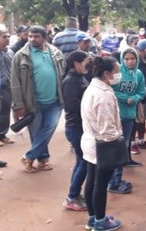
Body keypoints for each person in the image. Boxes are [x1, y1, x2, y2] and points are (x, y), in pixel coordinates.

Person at [11, 26, 66, 173]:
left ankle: (29, 157)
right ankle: (42, 160)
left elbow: (63, 75)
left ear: (44, 37)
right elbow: (15, 83)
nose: (32, 39)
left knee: (48, 129)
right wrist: (18, 105)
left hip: (55, 101)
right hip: (33, 103)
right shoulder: (21, 56)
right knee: (36, 133)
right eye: (30, 36)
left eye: (36, 36)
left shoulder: (56, 53)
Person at [80, 56, 123, 231]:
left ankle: (93, 217)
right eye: (116, 72)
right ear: (106, 74)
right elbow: (107, 130)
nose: (119, 75)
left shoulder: (94, 87)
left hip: (91, 142)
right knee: (101, 184)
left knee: (91, 181)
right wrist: (117, 140)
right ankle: (100, 221)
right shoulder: (103, 95)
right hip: (103, 145)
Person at [108, 47, 146, 193]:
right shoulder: (117, 74)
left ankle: (117, 179)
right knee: (116, 149)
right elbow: (112, 91)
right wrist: (126, 98)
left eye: (132, 58)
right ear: (122, 60)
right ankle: (113, 182)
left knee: (124, 147)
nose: (130, 61)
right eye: (127, 59)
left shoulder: (139, 74)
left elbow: (142, 91)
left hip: (130, 116)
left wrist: (135, 98)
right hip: (117, 115)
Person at [62, 51, 91, 211]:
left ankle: (73, 194)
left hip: (80, 127)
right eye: (86, 61)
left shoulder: (78, 77)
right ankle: (72, 196)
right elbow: (73, 106)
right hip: (76, 128)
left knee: (81, 161)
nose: (88, 64)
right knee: (84, 162)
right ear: (76, 63)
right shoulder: (71, 81)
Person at [131, 40, 146, 153]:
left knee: (143, 118)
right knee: (135, 119)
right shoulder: (135, 62)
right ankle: (132, 143)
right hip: (138, 95)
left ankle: (141, 140)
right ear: (144, 49)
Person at [0, 26, 14, 146]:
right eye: (4, 37)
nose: (7, 39)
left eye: (8, 37)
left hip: (8, 87)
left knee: (5, 112)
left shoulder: (10, 52)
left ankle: (2, 135)